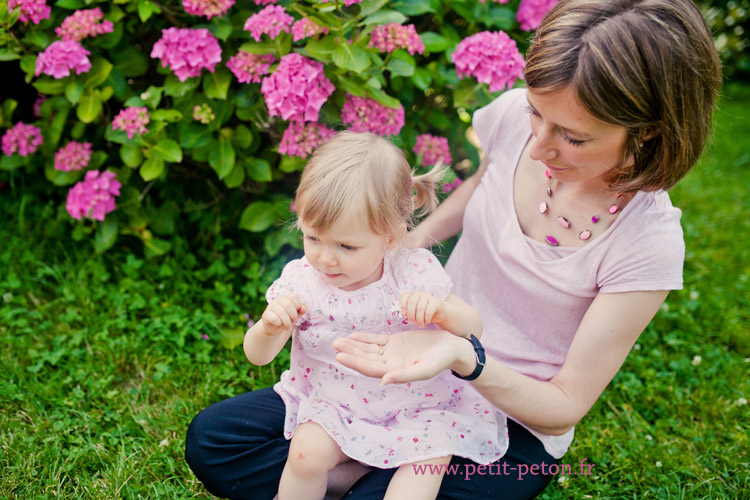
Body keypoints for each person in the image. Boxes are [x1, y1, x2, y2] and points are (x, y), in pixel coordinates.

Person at [185, 0, 721, 498]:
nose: (536, 146)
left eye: (573, 138)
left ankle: (364, 469)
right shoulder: (517, 117)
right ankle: (364, 463)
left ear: (649, 132)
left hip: (510, 415)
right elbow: (478, 188)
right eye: (537, 113)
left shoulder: (647, 242)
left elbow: (562, 408)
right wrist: (395, 252)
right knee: (215, 440)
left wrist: (463, 356)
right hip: (401, 360)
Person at [210, 130, 508, 500]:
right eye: (313, 238)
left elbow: (473, 329)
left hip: (418, 407)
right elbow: (257, 356)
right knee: (305, 454)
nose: (326, 258)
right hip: (336, 404)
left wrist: (441, 311)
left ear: (391, 237)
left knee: (419, 475)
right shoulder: (304, 280)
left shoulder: (412, 273)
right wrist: (270, 326)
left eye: (346, 246)